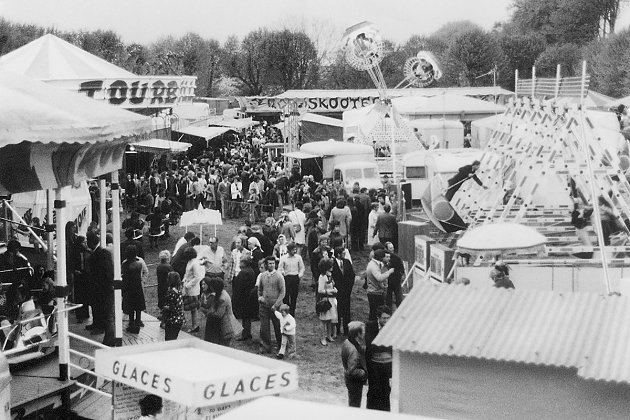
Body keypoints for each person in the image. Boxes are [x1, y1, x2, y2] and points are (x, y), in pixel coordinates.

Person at [86, 233, 114, 345]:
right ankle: (102, 329)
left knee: (106, 312)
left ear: (92, 242)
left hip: (103, 288)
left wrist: (100, 284)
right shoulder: (98, 254)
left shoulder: (102, 254)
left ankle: (109, 337)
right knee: (101, 309)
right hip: (99, 287)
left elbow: (107, 272)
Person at [366, 305, 392, 411]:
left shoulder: (392, 327)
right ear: (378, 318)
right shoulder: (370, 326)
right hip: (374, 365)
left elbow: (392, 345)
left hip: (387, 365)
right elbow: (370, 344)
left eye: (388, 318)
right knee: (373, 389)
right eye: (384, 318)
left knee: (386, 390)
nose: (386, 320)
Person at [257, 256, 285, 354]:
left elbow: (282, 292)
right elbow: (259, 289)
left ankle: (281, 346)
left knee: (278, 326)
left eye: (273, 263)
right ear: (266, 265)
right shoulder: (263, 276)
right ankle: (265, 347)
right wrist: (260, 297)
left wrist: (276, 304)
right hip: (264, 306)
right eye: (269, 263)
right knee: (264, 327)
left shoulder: (279, 276)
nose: (272, 265)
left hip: (276, 307)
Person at [201, 277, 237, 346]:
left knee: (222, 348)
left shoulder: (222, 298)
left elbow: (218, 314)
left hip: (225, 326)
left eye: (211, 287)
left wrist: (207, 312)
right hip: (220, 326)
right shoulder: (221, 292)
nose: (210, 288)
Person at [121, 245, 148, 334]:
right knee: (138, 306)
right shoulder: (139, 263)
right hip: (138, 287)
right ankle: (137, 324)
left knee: (131, 307)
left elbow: (124, 277)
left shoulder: (125, 264)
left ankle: (132, 323)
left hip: (129, 288)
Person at [341, 321, 368, 408]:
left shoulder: (347, 342)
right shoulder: (354, 350)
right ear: (358, 333)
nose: (365, 333)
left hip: (349, 379)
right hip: (354, 381)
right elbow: (352, 370)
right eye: (363, 331)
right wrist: (363, 373)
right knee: (355, 404)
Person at [332, 246, 355, 337]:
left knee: (346, 312)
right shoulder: (332, 264)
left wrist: (349, 288)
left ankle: (346, 330)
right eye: (343, 253)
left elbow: (352, 276)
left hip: (346, 292)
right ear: (338, 254)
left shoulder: (347, 262)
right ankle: (336, 330)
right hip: (336, 292)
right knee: (337, 311)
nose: (345, 255)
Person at [233, 257, 257, 341]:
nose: (239, 264)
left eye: (240, 262)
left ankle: (245, 334)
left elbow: (239, 286)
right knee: (247, 317)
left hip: (244, 297)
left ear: (244, 263)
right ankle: (247, 333)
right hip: (250, 297)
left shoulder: (243, 273)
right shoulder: (251, 271)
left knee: (245, 317)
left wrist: (236, 298)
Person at [365, 250, 394, 321]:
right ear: (380, 257)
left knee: (375, 313)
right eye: (384, 257)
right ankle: (373, 329)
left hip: (376, 292)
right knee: (375, 314)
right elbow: (379, 278)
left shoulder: (375, 264)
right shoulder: (373, 266)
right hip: (374, 293)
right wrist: (389, 272)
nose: (386, 258)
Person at [277, 242, 305, 317]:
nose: (294, 251)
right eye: (293, 250)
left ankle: (292, 312)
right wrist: (283, 273)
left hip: (295, 277)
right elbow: (280, 268)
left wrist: (299, 275)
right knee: (286, 295)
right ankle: (287, 310)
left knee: (294, 295)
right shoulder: (284, 258)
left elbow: (302, 268)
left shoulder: (298, 257)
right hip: (287, 278)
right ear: (288, 250)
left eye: (295, 249)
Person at [182, 247, 204, 333]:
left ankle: (195, 326)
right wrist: (184, 280)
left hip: (193, 290)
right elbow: (187, 273)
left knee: (194, 309)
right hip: (187, 287)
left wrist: (188, 285)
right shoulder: (190, 262)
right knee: (189, 308)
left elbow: (197, 277)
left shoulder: (195, 263)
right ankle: (192, 324)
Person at [317, 257, 338, 346]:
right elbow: (320, 290)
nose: (332, 267)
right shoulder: (322, 277)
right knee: (324, 320)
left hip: (332, 299)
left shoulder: (329, 275)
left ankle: (329, 336)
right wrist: (331, 291)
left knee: (330, 319)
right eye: (330, 266)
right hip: (325, 300)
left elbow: (331, 285)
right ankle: (322, 338)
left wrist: (334, 289)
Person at [162, 272, 185, 341]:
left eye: (168, 278)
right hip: (179, 319)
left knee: (169, 340)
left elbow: (172, 307)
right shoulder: (178, 290)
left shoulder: (172, 292)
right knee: (173, 339)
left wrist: (165, 307)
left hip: (173, 320)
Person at [385, 242, 404, 309]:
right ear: (386, 249)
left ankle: (399, 310)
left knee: (398, 297)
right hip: (387, 281)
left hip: (396, 280)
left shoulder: (397, 258)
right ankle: (388, 311)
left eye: (392, 247)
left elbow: (402, 269)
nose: (392, 249)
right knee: (388, 298)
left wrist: (399, 276)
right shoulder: (383, 258)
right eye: (390, 248)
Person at [156, 250, 172, 324]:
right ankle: (165, 319)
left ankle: (163, 317)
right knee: (167, 303)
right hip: (167, 287)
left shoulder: (159, 266)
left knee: (162, 302)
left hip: (160, 286)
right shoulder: (168, 267)